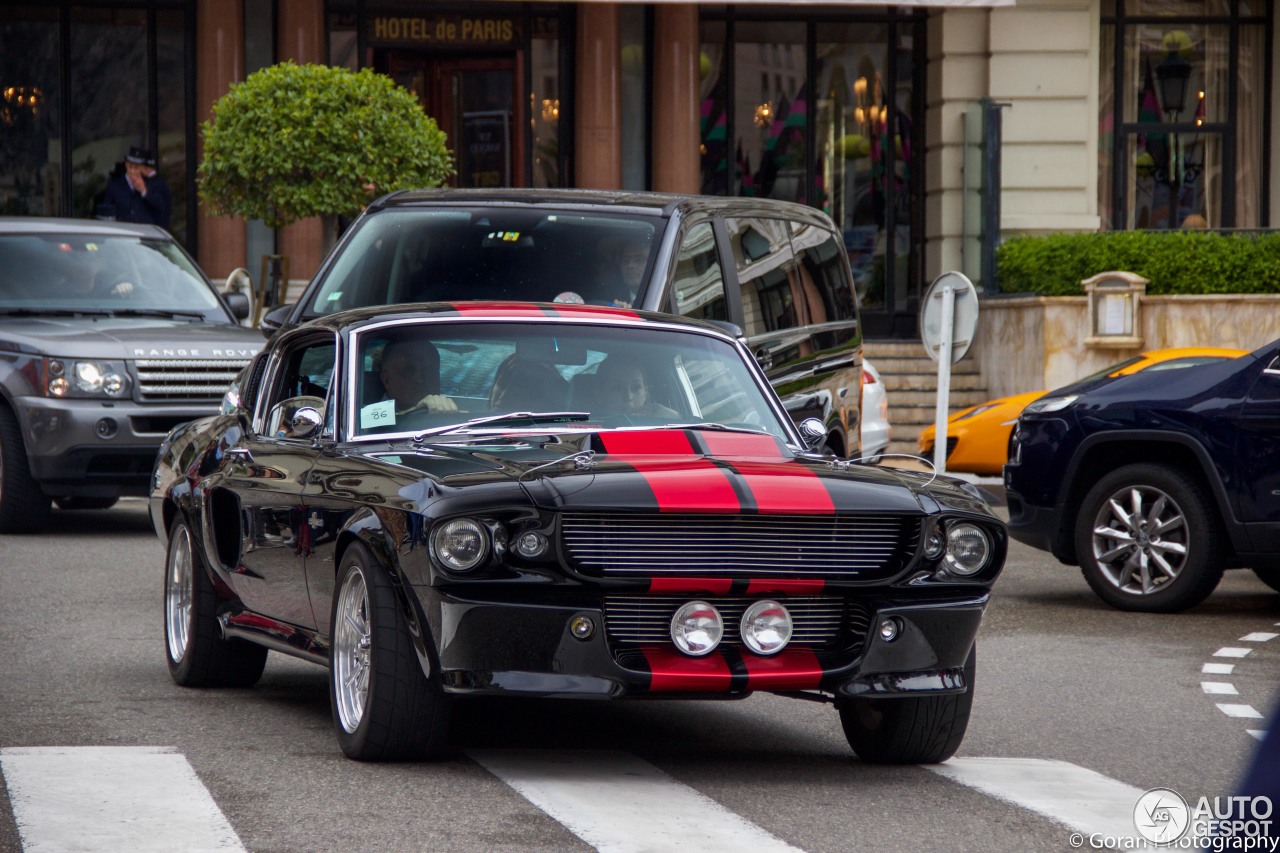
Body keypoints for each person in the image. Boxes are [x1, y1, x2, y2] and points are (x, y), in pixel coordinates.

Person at [378, 336, 457, 415]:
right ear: (387, 380)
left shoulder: (454, 420)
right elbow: (371, 424)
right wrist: (416, 411)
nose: (420, 379)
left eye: (429, 371)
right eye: (409, 370)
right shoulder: (369, 415)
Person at [101, 146, 172, 229]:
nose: (132, 171)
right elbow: (107, 210)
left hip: (146, 233)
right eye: (130, 166)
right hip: (122, 232)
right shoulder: (115, 185)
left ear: (143, 168)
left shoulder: (153, 184)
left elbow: (162, 208)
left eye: (136, 167)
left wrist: (144, 191)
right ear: (126, 165)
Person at [597, 359, 678, 420]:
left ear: (645, 393)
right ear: (599, 395)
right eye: (618, 388)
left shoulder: (662, 427)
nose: (628, 396)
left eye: (636, 387)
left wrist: (674, 417)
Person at [596, 235, 649, 307]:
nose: (630, 265)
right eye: (626, 260)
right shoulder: (607, 298)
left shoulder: (663, 297)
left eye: (639, 260)